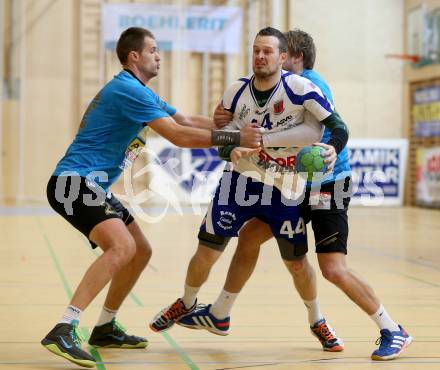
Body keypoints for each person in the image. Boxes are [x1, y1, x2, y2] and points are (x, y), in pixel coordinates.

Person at [179, 29, 412, 361]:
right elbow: (249, 119)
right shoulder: (270, 92)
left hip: (327, 182)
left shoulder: (311, 85)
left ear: (292, 57)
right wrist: (227, 122)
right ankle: (219, 313)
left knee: (333, 268)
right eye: (261, 52)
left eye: (277, 54)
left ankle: (392, 329)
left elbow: (332, 128)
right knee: (248, 239)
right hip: (296, 185)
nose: (268, 60)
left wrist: (326, 148)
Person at [41, 27, 262, 369]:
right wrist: (231, 139)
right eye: (154, 50)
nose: (159, 56)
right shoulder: (128, 90)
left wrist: (238, 128)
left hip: (90, 186)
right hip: (72, 184)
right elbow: (177, 135)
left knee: (140, 250)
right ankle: (65, 327)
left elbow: (185, 120)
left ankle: (104, 327)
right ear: (134, 56)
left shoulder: (140, 91)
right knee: (122, 247)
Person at [149, 27, 349, 349]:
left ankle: (317, 319)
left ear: (283, 57)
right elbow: (224, 139)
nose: (260, 56)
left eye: (268, 51)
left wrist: (333, 149)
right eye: (256, 50)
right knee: (207, 250)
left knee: (297, 264)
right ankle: (186, 301)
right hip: (239, 183)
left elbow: (338, 126)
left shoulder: (301, 88)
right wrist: (232, 148)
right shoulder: (235, 92)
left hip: (284, 189)